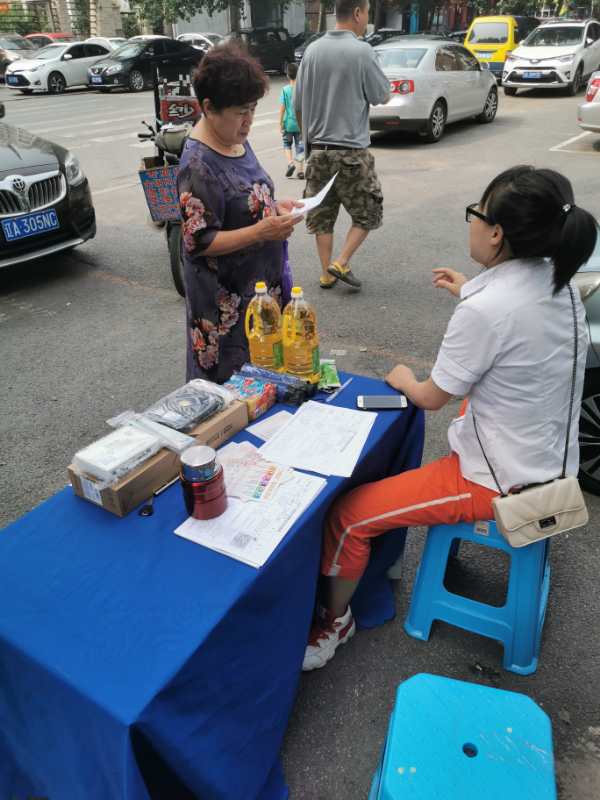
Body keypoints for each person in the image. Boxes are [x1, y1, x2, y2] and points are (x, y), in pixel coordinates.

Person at [302, 165, 598, 671]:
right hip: (550, 458)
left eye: (476, 213)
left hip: (499, 481)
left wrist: (402, 377)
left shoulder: (487, 310)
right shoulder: (562, 283)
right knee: (458, 417)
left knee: (348, 515)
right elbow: (511, 318)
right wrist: (467, 289)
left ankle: (334, 621)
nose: (472, 223)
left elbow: (431, 396)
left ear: (496, 233)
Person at [177, 43, 303, 383]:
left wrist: (274, 207)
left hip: (258, 293)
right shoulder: (198, 165)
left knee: (267, 381)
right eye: (240, 112)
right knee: (234, 392)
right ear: (208, 108)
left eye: (253, 109)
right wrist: (262, 231)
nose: (249, 121)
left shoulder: (234, 138)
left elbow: (243, 199)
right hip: (225, 311)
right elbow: (199, 241)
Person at [294, 0, 390, 291]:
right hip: (351, 152)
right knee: (369, 211)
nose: (367, 20)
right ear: (358, 13)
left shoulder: (312, 51)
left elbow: (298, 104)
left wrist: (307, 144)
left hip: (318, 151)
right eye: (367, 14)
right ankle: (341, 261)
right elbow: (381, 95)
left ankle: (326, 274)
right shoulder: (362, 51)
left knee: (322, 216)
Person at [279, 62, 304, 179]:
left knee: (287, 144)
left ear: (287, 75)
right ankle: (300, 171)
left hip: (288, 123)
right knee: (300, 147)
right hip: (300, 124)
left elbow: (282, 109)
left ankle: (290, 163)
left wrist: (280, 124)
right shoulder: (302, 90)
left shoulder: (285, 90)